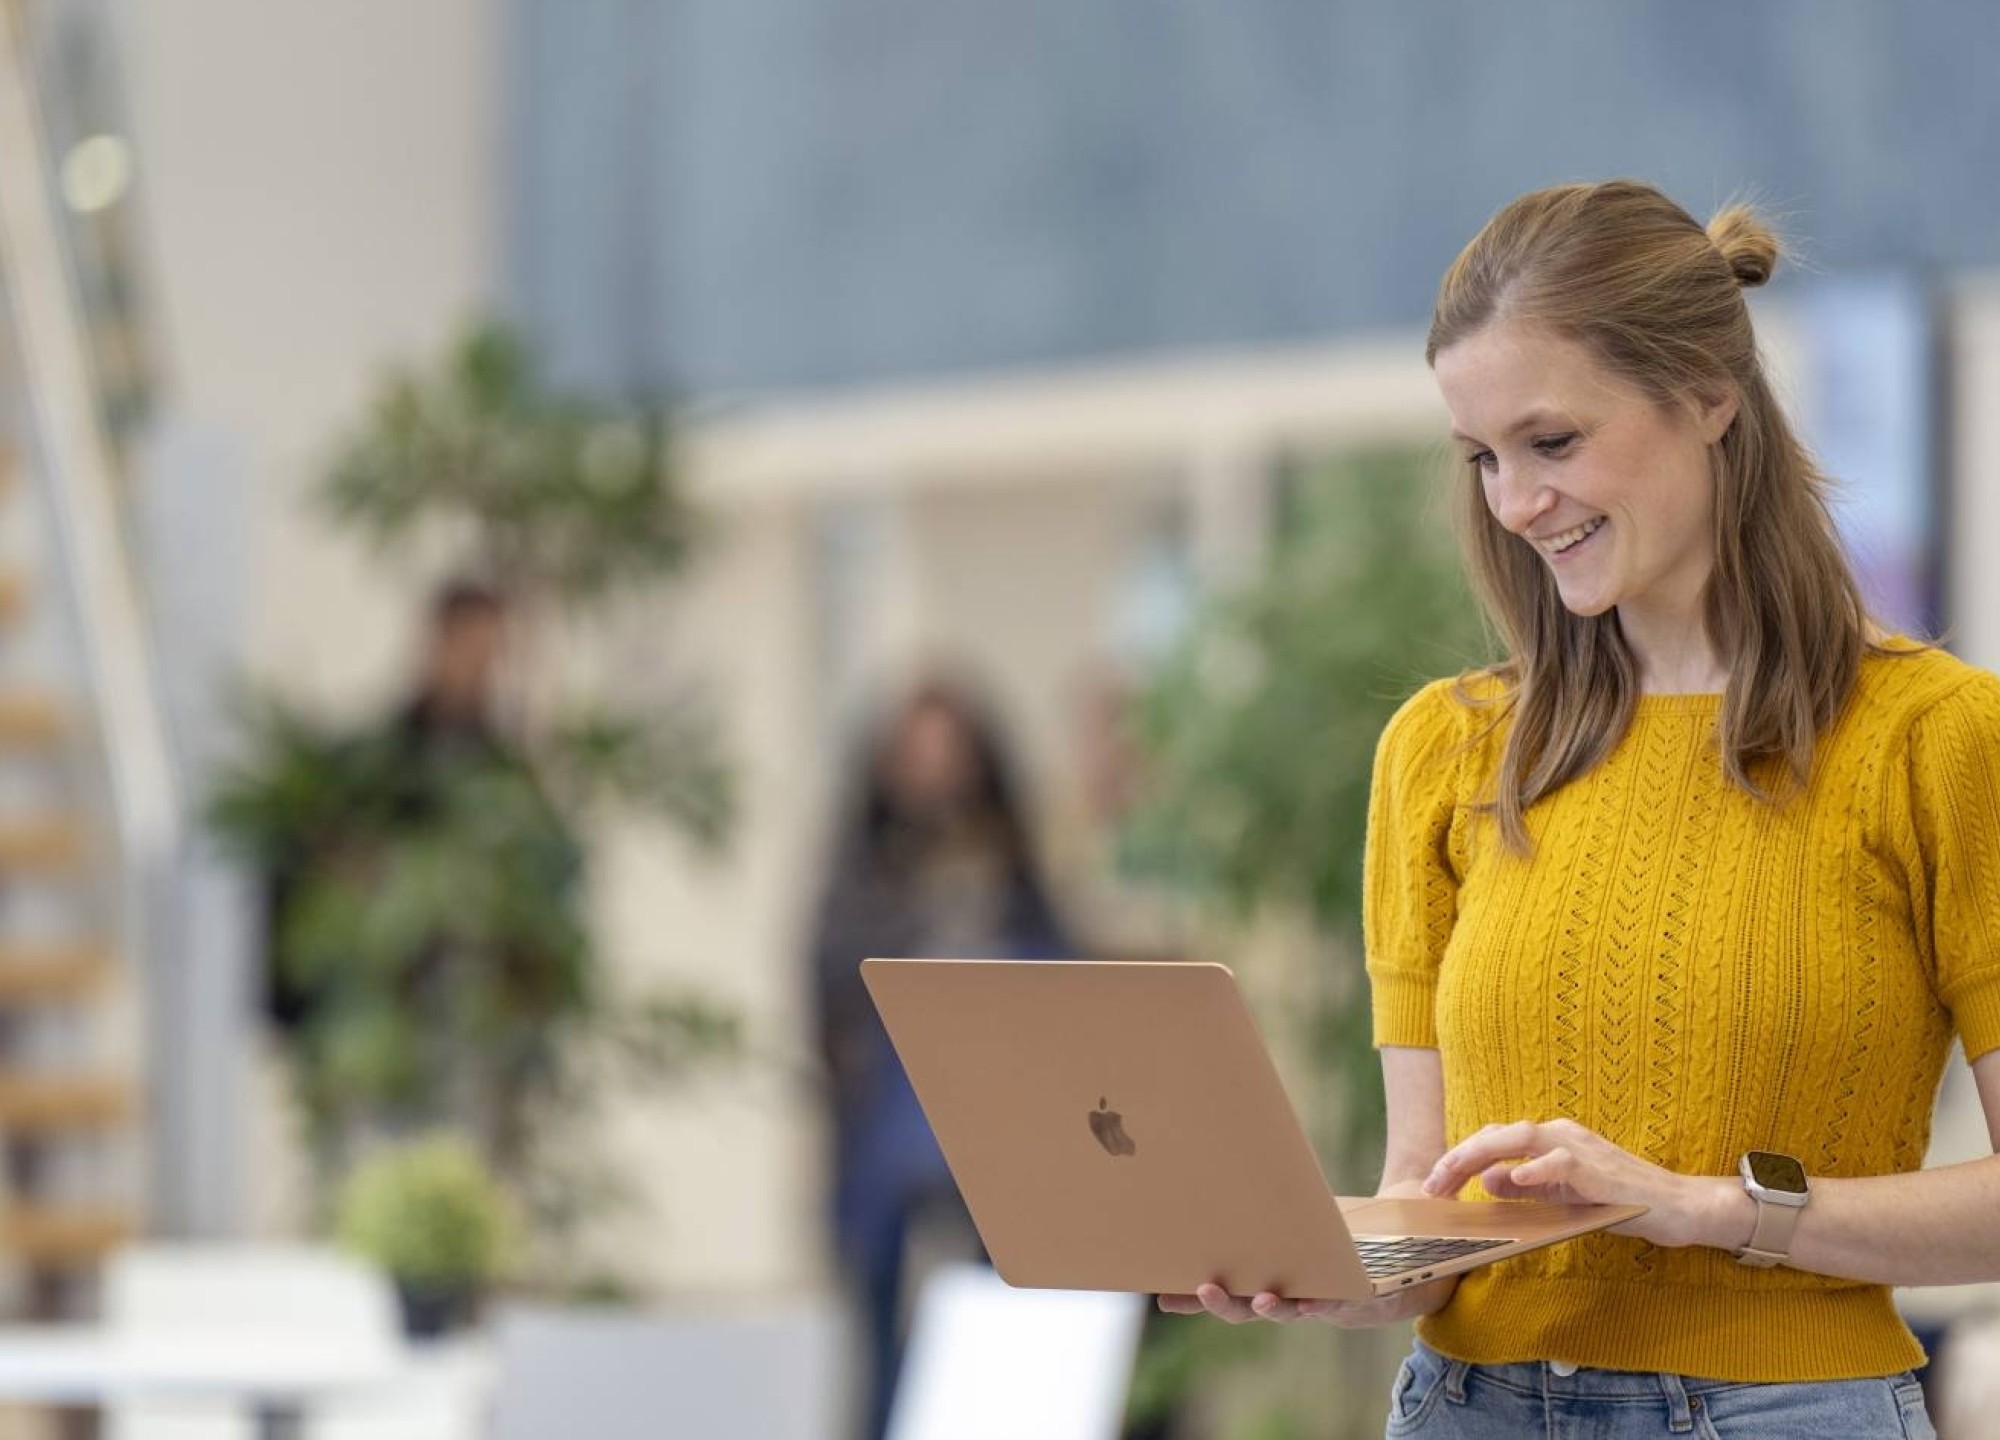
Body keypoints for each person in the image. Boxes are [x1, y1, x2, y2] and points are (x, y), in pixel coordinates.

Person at [1161, 180, 2000, 1438]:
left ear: (1709, 397)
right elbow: (1427, 1200)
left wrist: (1712, 1208)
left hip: (1783, 1412)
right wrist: (1349, 1275)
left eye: (1550, 444)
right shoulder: (1442, 754)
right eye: (1482, 457)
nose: (1510, 503)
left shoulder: (1930, 741)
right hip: (1465, 1408)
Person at [809, 672, 1073, 1440]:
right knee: (887, 1349)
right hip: (891, 1137)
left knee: (999, 1343)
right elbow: (832, 995)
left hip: (1006, 1135)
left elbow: (1061, 971)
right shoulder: (863, 877)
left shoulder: (1011, 870)